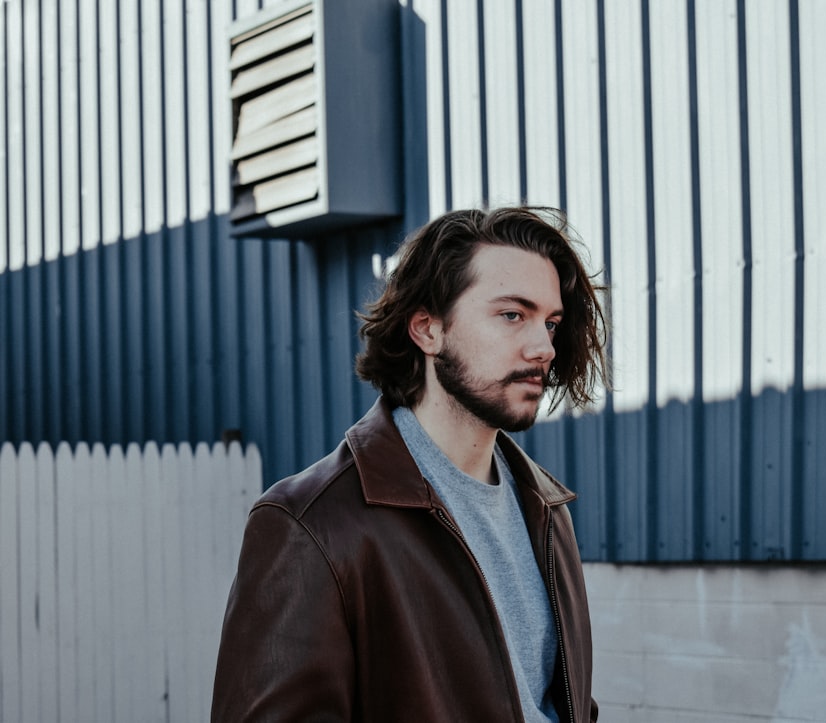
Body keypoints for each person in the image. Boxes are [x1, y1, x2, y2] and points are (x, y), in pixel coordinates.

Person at [211, 206, 609, 722]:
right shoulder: (312, 525)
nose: (543, 347)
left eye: (550, 323)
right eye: (513, 315)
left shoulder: (547, 511)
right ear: (427, 329)